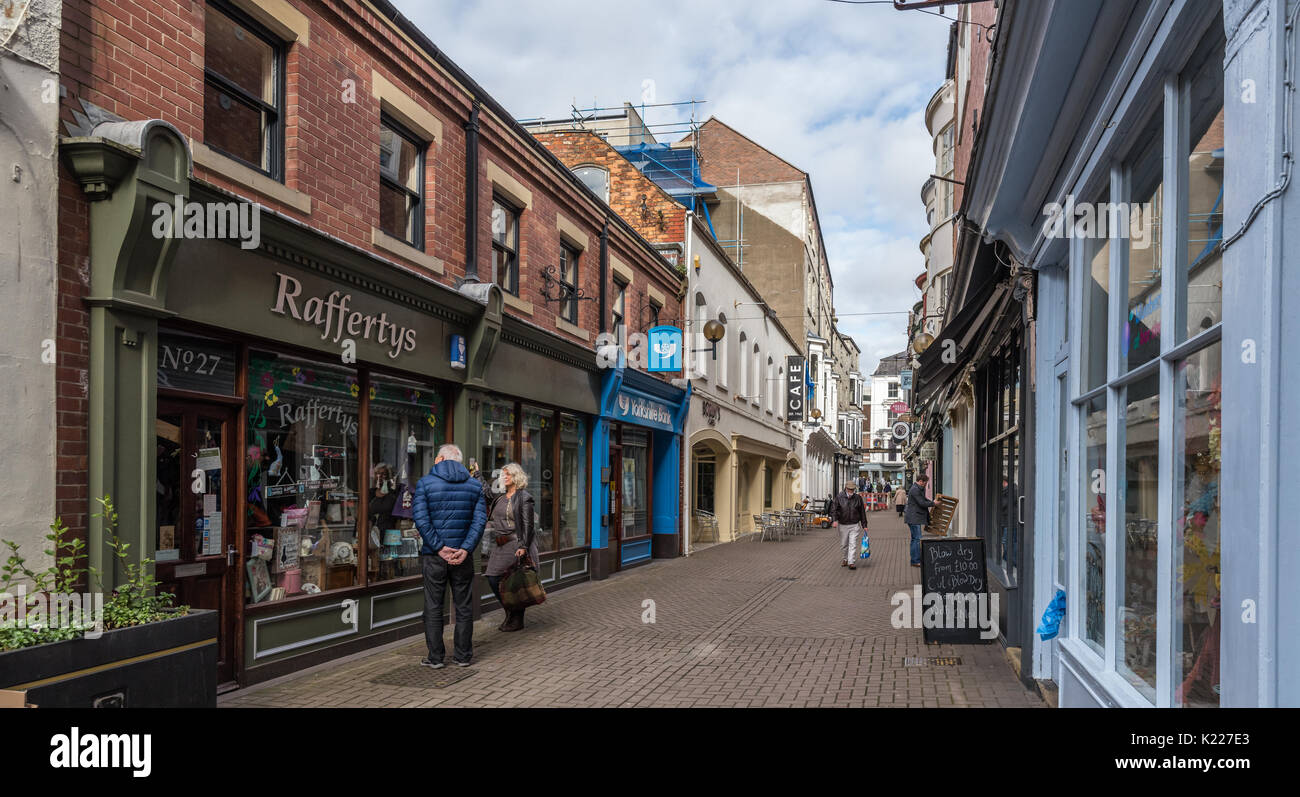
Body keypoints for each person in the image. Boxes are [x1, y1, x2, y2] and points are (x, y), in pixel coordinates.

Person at [412, 443, 486, 668]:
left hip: (435, 557)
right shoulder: (474, 486)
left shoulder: (425, 484)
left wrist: (439, 548)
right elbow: (479, 520)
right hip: (463, 557)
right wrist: (465, 548)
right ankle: (463, 657)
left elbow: (421, 520)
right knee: (463, 606)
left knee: (434, 606)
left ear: (439, 460)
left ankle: (436, 658)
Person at [483, 462, 539, 632]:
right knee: (493, 577)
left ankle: (516, 618)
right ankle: (510, 610)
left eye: (508, 474)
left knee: (514, 581)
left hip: (516, 543)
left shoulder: (524, 498)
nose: (504, 477)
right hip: (500, 545)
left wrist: (523, 546)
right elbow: (486, 492)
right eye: (503, 474)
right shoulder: (500, 497)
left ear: (516, 477)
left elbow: (529, 525)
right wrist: (478, 474)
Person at [831, 480, 867, 570]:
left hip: (854, 524)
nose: (851, 491)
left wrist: (864, 525)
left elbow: (862, 512)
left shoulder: (858, 498)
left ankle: (851, 562)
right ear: (846, 488)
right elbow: (834, 510)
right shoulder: (839, 497)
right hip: (843, 524)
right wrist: (834, 520)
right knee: (844, 544)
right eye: (849, 489)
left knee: (853, 543)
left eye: (853, 489)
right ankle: (845, 558)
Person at [904, 474, 936, 568]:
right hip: (914, 518)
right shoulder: (915, 489)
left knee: (915, 539)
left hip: (914, 517)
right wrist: (933, 503)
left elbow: (924, 499)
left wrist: (932, 502)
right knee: (917, 539)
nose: (926, 485)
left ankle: (915, 559)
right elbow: (922, 503)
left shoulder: (918, 488)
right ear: (921, 481)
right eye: (925, 483)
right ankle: (915, 561)